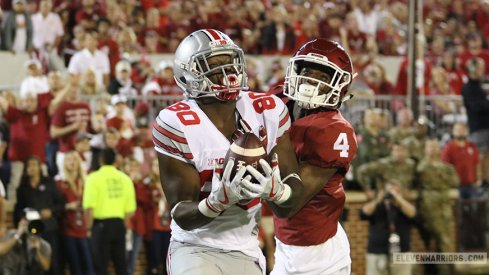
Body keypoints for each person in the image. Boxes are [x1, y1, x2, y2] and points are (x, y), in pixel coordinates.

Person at [152, 29, 303, 275]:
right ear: (187, 73)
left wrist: (279, 192)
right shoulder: (176, 123)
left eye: (229, 61)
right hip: (195, 247)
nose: (227, 71)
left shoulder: (266, 110)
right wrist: (216, 202)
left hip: (247, 248)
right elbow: (181, 214)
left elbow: (292, 203)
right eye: (213, 64)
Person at [244, 39, 358, 274]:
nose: (310, 81)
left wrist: (276, 130)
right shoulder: (279, 100)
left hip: (322, 257)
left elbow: (289, 204)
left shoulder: (335, 130)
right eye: (307, 72)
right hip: (286, 248)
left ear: (341, 86)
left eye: (323, 77)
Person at [82, 148, 136, 275]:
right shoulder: (125, 179)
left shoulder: (93, 178)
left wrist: (89, 229)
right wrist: (122, 224)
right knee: (120, 265)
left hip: (100, 227)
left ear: (100, 160)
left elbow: (89, 207)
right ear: (115, 161)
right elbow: (130, 210)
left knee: (100, 266)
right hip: (119, 225)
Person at [417, 139, 458, 275]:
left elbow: (455, 180)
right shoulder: (421, 167)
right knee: (428, 245)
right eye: (430, 146)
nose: (433, 149)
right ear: (425, 149)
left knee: (445, 244)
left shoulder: (446, 167)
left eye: (435, 147)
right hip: (427, 212)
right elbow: (420, 178)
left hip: (443, 210)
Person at [360, 182, 417, 275]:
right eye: (389, 190)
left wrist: (398, 198)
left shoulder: (403, 207)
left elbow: (414, 214)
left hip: (401, 253)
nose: (391, 193)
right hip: (377, 252)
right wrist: (378, 199)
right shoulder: (377, 205)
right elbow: (363, 213)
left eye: (395, 190)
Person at [461, 58, 489, 185]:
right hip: (478, 126)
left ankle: (486, 180)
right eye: (480, 68)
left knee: (486, 155)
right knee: (479, 156)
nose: (482, 71)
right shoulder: (469, 88)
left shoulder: (478, 86)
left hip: (485, 126)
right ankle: (478, 181)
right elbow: (476, 107)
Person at [442, 123, 481, 199]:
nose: (460, 132)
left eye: (462, 129)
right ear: (453, 132)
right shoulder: (448, 148)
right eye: (457, 130)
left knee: (474, 207)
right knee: (458, 208)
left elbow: (477, 164)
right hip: (456, 185)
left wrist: (478, 179)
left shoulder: (472, 146)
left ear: (467, 131)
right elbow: (445, 166)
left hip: (471, 185)